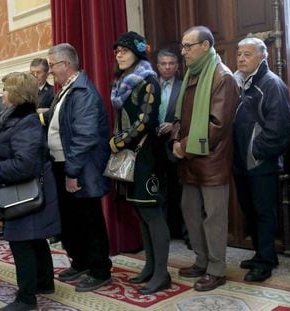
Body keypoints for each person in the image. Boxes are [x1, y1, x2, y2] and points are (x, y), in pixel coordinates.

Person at [0, 72, 61, 310]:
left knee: (21, 241)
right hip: (25, 191)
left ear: (17, 94)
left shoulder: (24, 121)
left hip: (25, 191)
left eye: (6, 89)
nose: (2, 93)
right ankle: (44, 282)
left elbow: (24, 165)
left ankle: (27, 299)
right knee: (35, 238)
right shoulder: (13, 117)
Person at [171, 26, 239, 291]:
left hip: (212, 161)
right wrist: (177, 139)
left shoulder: (223, 77)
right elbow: (179, 114)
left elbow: (217, 125)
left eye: (188, 46)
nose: (183, 52)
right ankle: (201, 261)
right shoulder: (191, 73)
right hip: (189, 160)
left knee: (214, 218)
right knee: (190, 212)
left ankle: (216, 268)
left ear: (205, 46)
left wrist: (184, 146)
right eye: (183, 46)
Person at [44, 43, 112, 292]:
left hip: (80, 168)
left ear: (65, 64)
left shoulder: (82, 92)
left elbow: (85, 136)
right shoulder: (67, 90)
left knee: (89, 219)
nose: (50, 70)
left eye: (52, 65)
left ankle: (100, 270)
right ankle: (81, 262)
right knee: (72, 220)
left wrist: (72, 172)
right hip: (65, 164)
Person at [110, 31, 171, 295]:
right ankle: (149, 266)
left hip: (147, 157)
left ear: (137, 53)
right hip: (132, 157)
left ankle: (162, 273)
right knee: (140, 213)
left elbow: (146, 121)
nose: (118, 54)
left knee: (152, 214)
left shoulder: (148, 81)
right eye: (116, 51)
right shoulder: (123, 82)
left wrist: (119, 141)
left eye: (123, 50)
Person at [232, 37, 290, 282]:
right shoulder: (239, 82)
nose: (241, 58)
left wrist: (256, 152)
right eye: (239, 54)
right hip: (240, 162)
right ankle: (261, 254)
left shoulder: (271, 84)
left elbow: (279, 129)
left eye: (248, 54)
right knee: (250, 211)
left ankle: (265, 261)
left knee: (264, 212)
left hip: (260, 162)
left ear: (262, 57)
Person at [156, 49, 188, 245]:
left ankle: (187, 235)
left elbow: (189, 114)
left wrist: (174, 125)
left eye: (171, 63)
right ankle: (162, 234)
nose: (167, 67)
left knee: (183, 191)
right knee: (159, 191)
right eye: (163, 63)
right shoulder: (150, 86)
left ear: (177, 66)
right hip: (154, 145)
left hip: (175, 144)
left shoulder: (184, 85)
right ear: (157, 66)